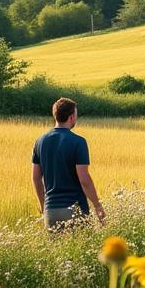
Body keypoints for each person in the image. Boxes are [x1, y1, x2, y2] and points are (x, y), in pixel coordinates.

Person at [32, 98, 105, 230]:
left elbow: (36, 178)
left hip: (51, 210)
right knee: (82, 249)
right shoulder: (78, 142)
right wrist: (97, 206)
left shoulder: (40, 142)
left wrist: (44, 206)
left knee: (56, 250)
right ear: (71, 117)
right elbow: (84, 179)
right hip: (75, 208)